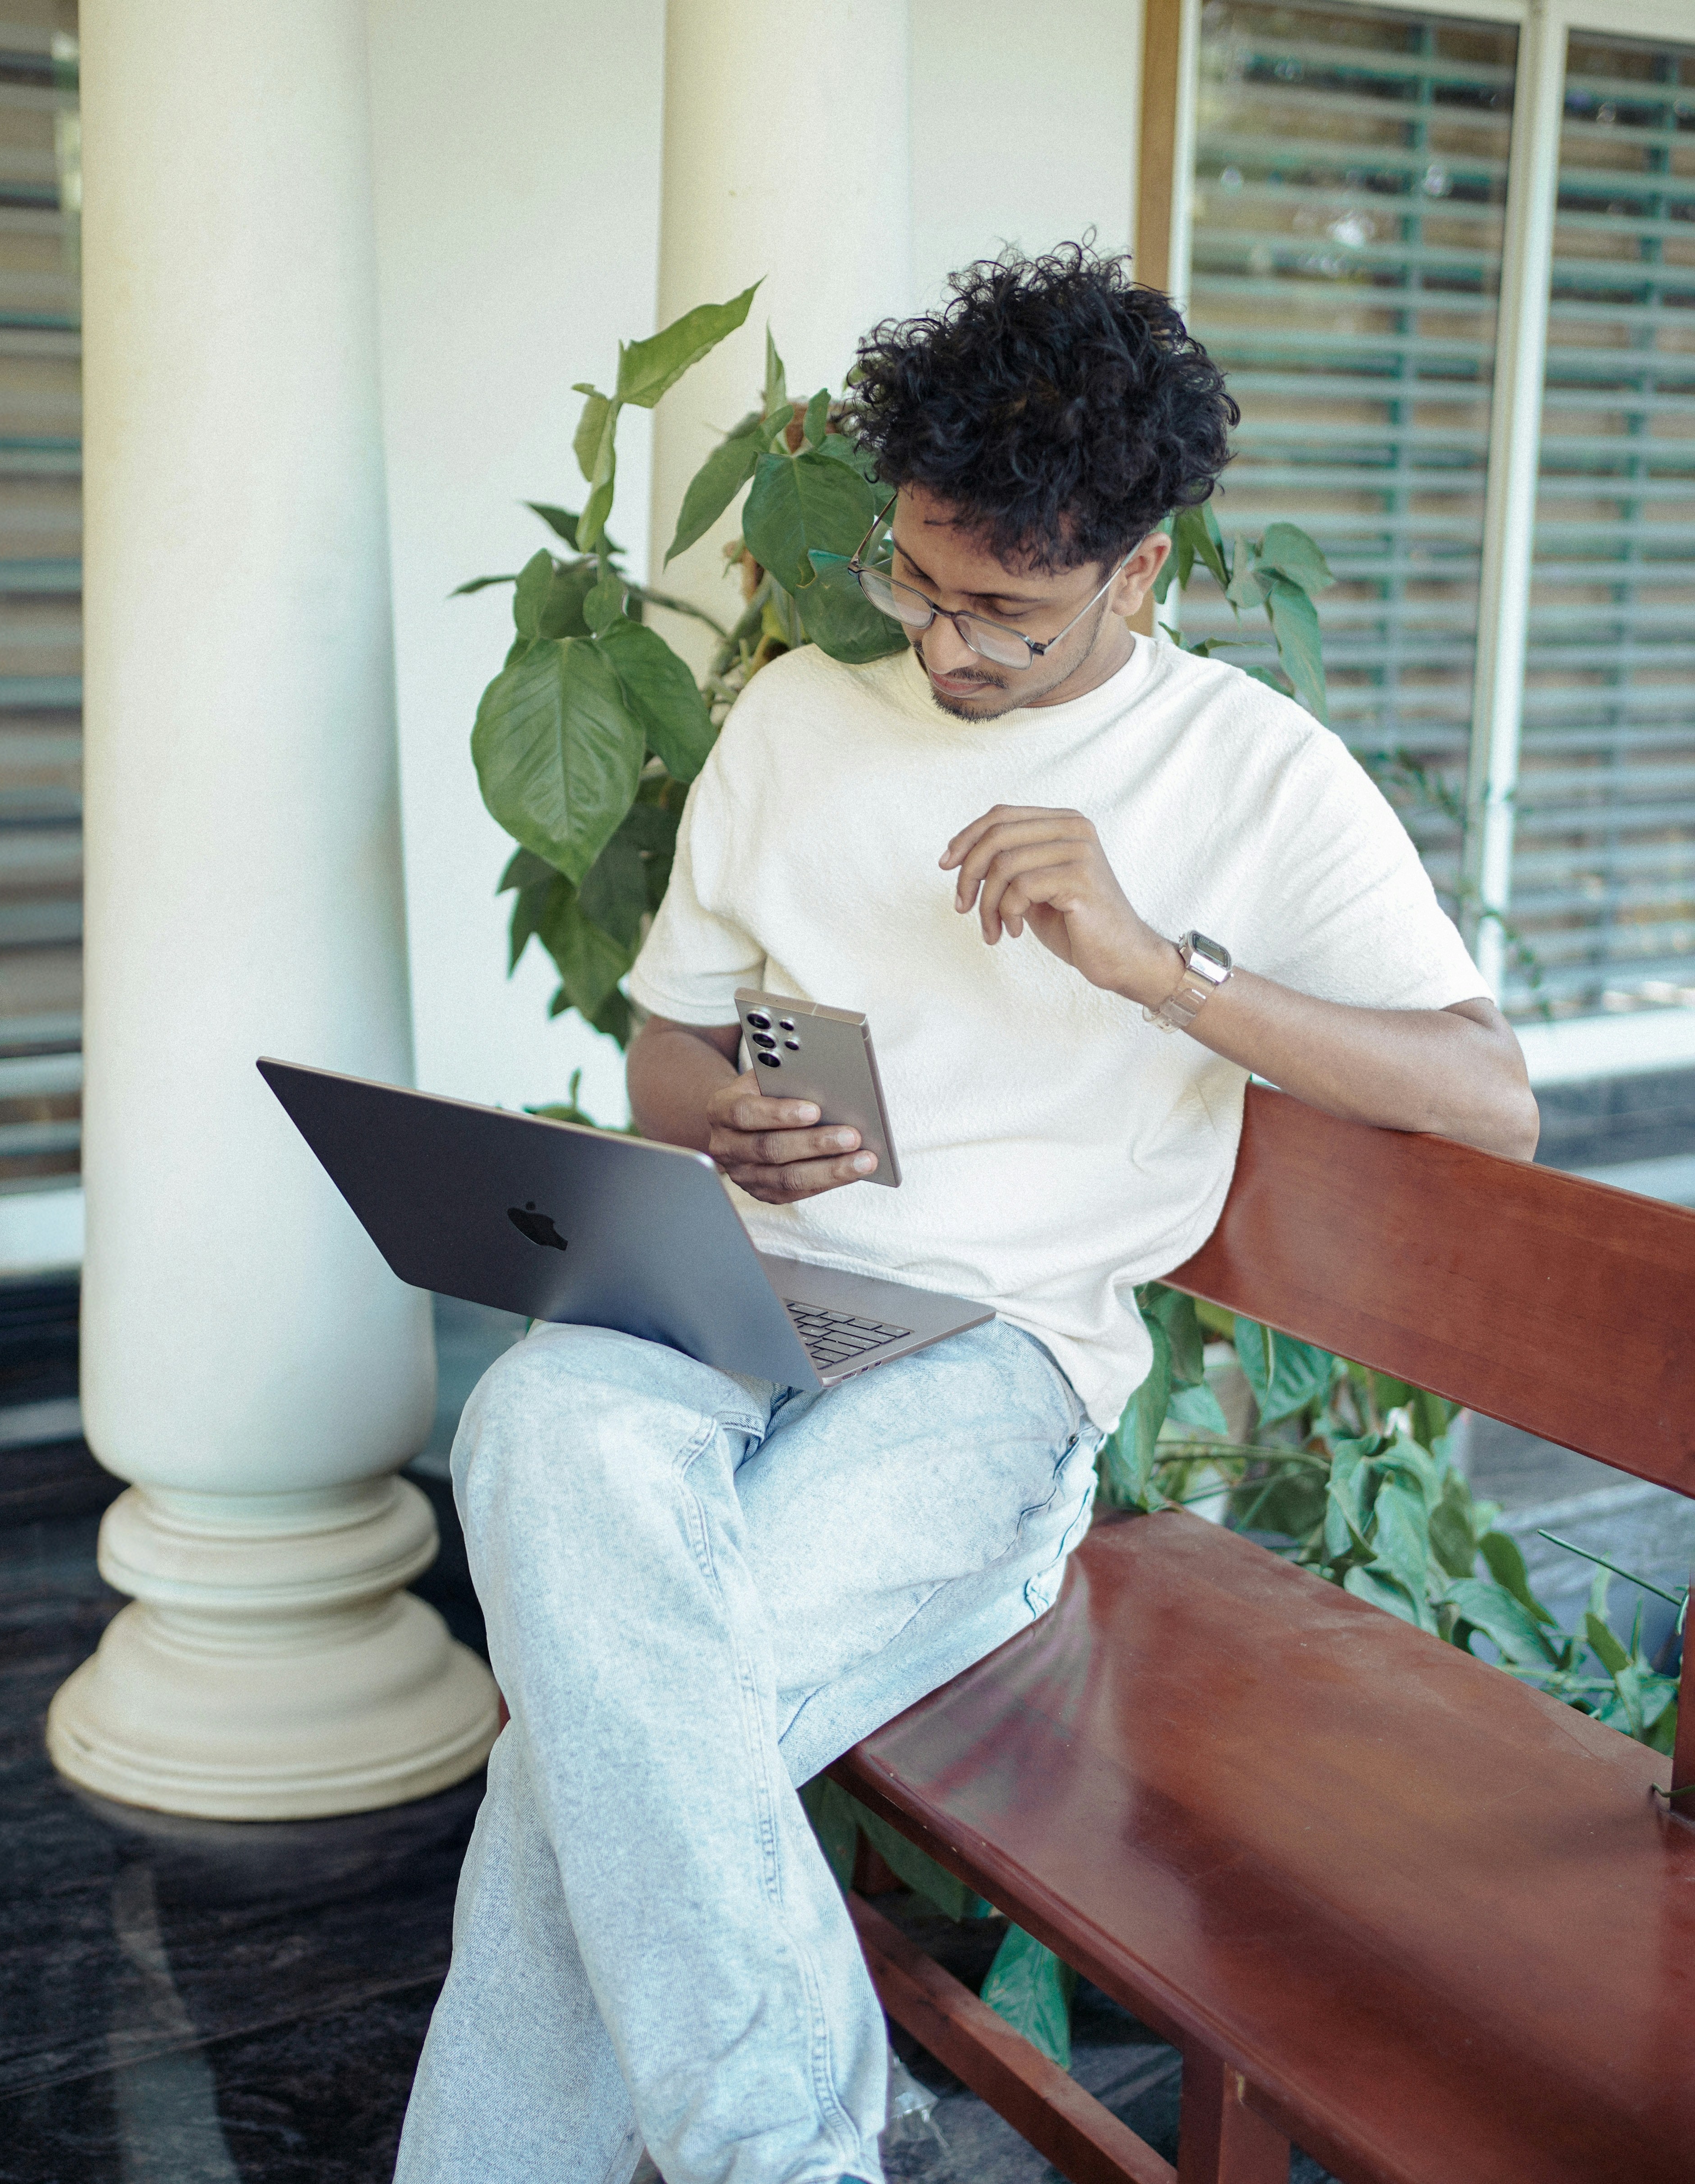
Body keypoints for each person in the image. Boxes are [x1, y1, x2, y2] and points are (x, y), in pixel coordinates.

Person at [395, 246, 1537, 2184]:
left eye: (1001, 611)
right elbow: (667, 1052)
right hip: (735, 1283)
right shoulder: (794, 718)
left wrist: (1159, 968)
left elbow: (1485, 1096)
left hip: (994, 1360)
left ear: (1138, 575)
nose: (939, 648)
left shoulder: (1247, 775)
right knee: (529, 1422)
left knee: (607, 1726)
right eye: (912, 583)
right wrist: (733, 1121)